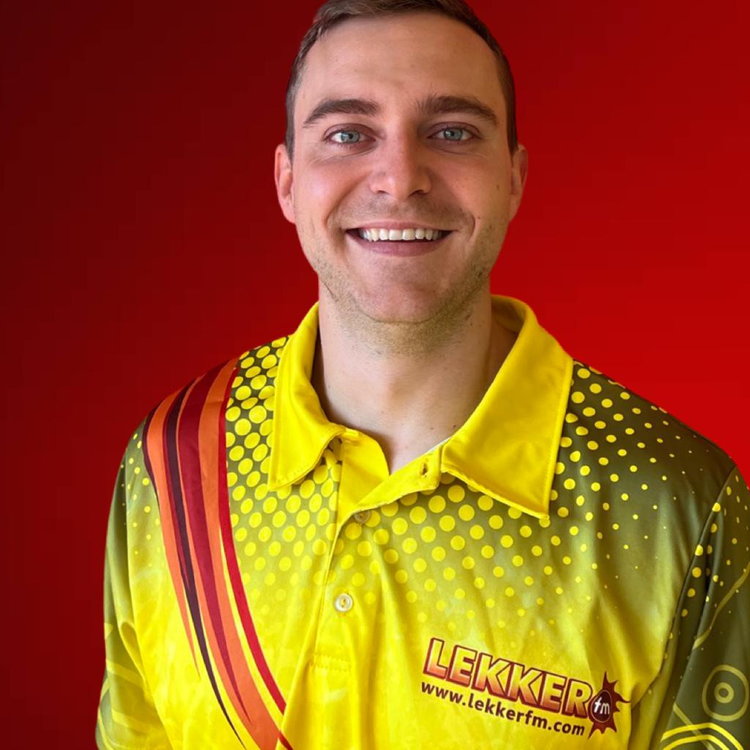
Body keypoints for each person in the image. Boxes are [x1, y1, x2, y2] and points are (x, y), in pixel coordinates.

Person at [95, 0, 750, 748]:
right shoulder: (173, 460)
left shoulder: (674, 504)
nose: (400, 178)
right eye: (349, 134)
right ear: (287, 182)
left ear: (513, 179)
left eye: (452, 132)